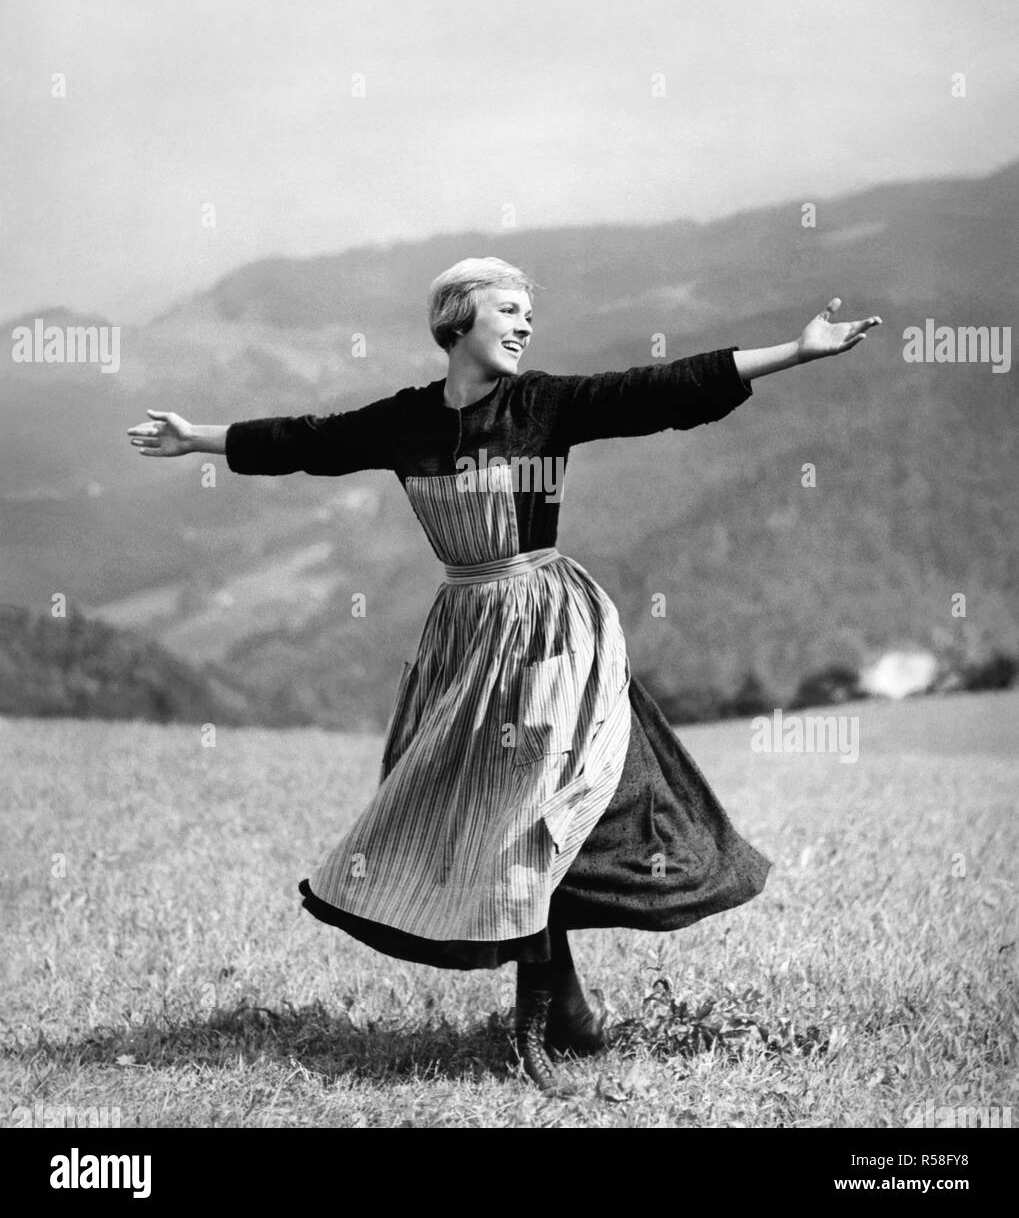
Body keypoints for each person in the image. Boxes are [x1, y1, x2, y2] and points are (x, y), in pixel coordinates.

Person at [127, 256, 881, 1093]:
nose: (523, 326)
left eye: (527, 314)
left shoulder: (542, 405)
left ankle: (539, 1031)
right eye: (507, 312)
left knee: (540, 813)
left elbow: (657, 389)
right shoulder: (406, 421)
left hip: (549, 629)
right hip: (464, 638)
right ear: (456, 323)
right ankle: (571, 1013)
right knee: (480, 819)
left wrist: (797, 351)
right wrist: (195, 437)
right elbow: (311, 439)